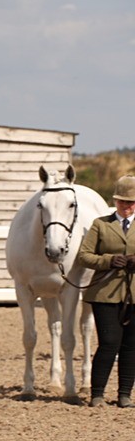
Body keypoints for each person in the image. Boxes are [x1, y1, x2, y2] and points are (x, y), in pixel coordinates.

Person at [78, 174, 135, 408]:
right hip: (105, 293)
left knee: (131, 345)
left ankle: (124, 395)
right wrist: (110, 260)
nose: (127, 206)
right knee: (109, 342)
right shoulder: (101, 224)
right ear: (116, 201)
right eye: (123, 202)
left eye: (131, 202)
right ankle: (98, 393)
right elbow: (84, 256)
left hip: (133, 293)